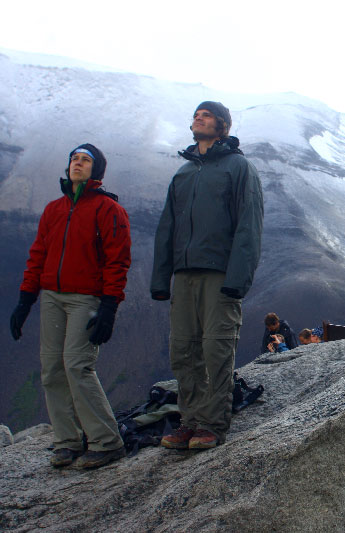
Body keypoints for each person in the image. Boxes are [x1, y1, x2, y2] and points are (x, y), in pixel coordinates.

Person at [10, 143, 130, 468]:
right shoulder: (54, 210)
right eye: (74, 159)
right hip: (51, 296)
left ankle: (106, 441)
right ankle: (67, 441)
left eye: (85, 160)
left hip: (86, 298)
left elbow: (118, 261)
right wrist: (25, 300)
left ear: (97, 170)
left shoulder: (108, 210)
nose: (78, 163)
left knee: (77, 365)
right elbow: (38, 255)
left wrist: (109, 307)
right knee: (51, 370)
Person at [151, 102, 264, 450]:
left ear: (223, 127)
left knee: (216, 349)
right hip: (185, 276)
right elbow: (166, 227)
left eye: (208, 115)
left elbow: (249, 226)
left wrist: (237, 279)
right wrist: (160, 278)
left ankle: (213, 424)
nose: (199, 117)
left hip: (219, 275)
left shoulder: (239, 168)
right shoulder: (184, 174)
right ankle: (190, 421)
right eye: (196, 114)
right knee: (183, 351)